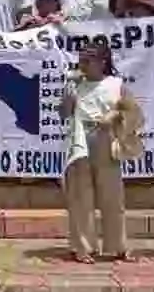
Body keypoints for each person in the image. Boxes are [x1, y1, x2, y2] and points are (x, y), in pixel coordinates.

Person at [60, 42, 142, 264]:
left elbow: (132, 110)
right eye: (81, 60)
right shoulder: (76, 85)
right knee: (80, 197)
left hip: (106, 141)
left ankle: (118, 245)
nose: (82, 65)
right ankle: (83, 246)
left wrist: (114, 115)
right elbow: (63, 114)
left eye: (87, 61)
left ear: (102, 62)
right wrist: (68, 94)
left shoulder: (116, 84)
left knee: (112, 196)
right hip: (80, 141)